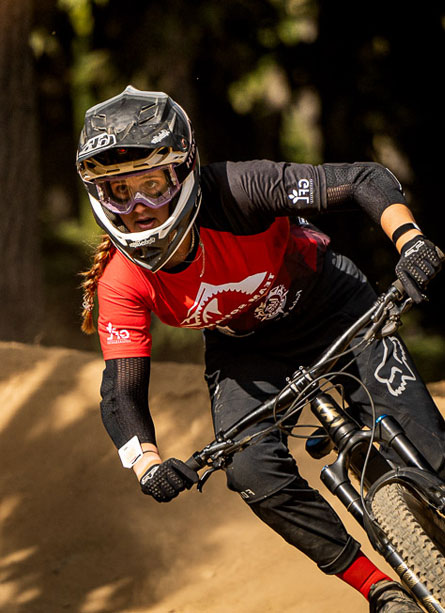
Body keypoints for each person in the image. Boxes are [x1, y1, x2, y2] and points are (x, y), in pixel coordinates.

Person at [77, 86, 444, 612]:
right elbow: (121, 395)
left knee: (430, 448)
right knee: (250, 471)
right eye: (118, 192)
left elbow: (363, 178)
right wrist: (149, 465)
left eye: (151, 185)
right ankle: (380, 589)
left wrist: (409, 241)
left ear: (182, 173)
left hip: (331, 303)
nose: (137, 209)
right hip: (245, 351)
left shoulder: (237, 188)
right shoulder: (121, 280)